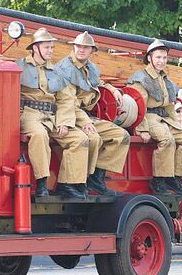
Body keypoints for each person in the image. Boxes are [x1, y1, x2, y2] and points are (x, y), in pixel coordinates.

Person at [17, 28, 89, 199]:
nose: (50, 51)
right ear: (35, 48)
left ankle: (67, 184)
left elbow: (66, 100)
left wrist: (64, 122)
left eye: (52, 47)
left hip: (52, 117)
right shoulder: (19, 66)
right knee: (39, 135)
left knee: (80, 139)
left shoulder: (57, 71)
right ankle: (42, 183)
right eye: (47, 47)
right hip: (28, 113)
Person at [54, 31, 129, 196]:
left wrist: (111, 88)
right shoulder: (64, 68)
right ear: (73, 47)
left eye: (85, 47)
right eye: (78, 46)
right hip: (69, 115)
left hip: (86, 115)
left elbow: (96, 82)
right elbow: (67, 102)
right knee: (91, 138)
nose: (81, 50)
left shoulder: (90, 68)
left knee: (121, 136)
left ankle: (95, 179)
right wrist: (84, 122)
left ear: (92, 51)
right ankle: (75, 182)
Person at [127, 39, 182, 194]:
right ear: (150, 58)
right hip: (148, 117)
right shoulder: (141, 78)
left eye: (164, 58)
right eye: (158, 57)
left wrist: (177, 124)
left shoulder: (165, 79)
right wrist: (142, 129)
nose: (161, 61)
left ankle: (174, 178)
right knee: (167, 140)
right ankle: (159, 180)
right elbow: (139, 105)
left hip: (164, 118)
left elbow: (169, 105)